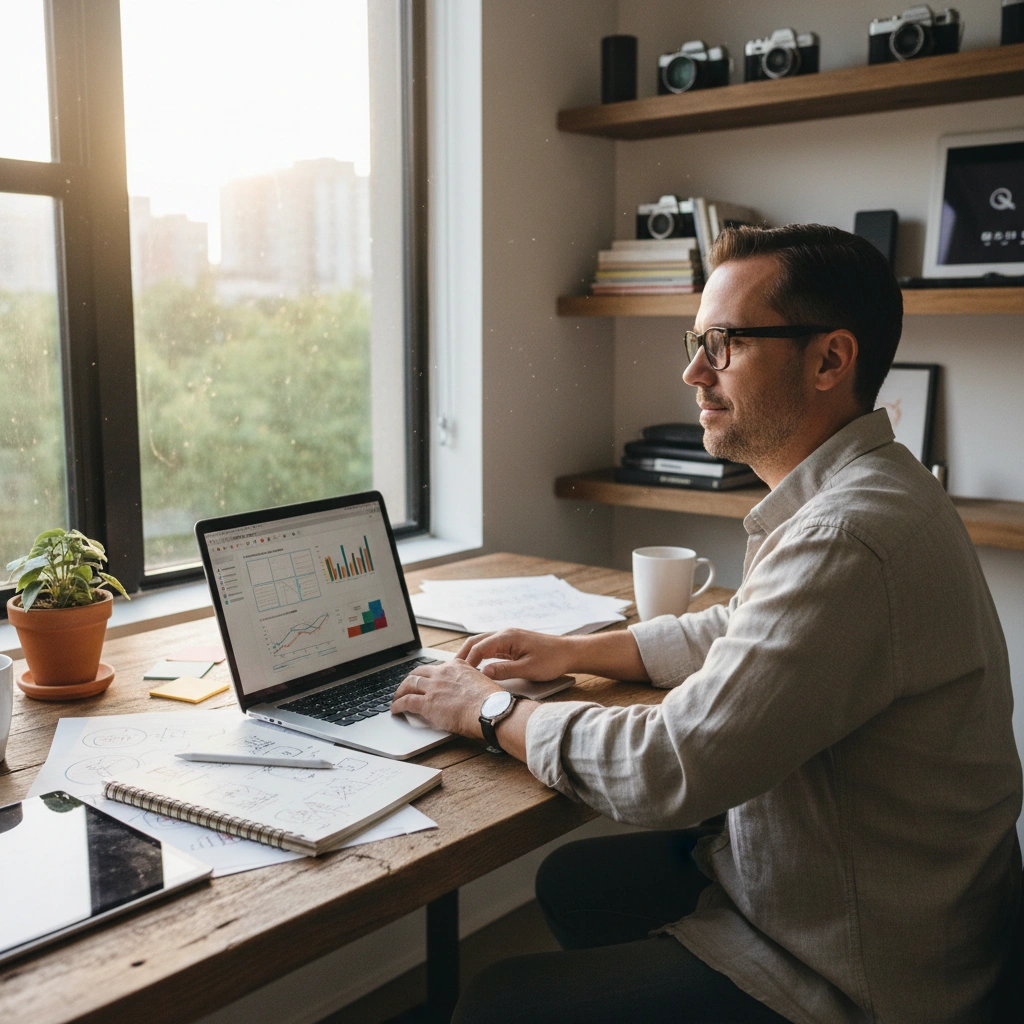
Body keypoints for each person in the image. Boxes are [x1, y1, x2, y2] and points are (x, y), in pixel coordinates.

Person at [392, 224, 1023, 1024]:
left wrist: (484, 709)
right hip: (869, 903)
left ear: (831, 359)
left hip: (855, 971)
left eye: (723, 344)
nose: (693, 371)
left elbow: (672, 764)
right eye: (697, 341)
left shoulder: (846, 535)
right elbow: (751, 629)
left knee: (495, 1004)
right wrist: (580, 651)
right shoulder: (869, 490)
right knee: (571, 883)